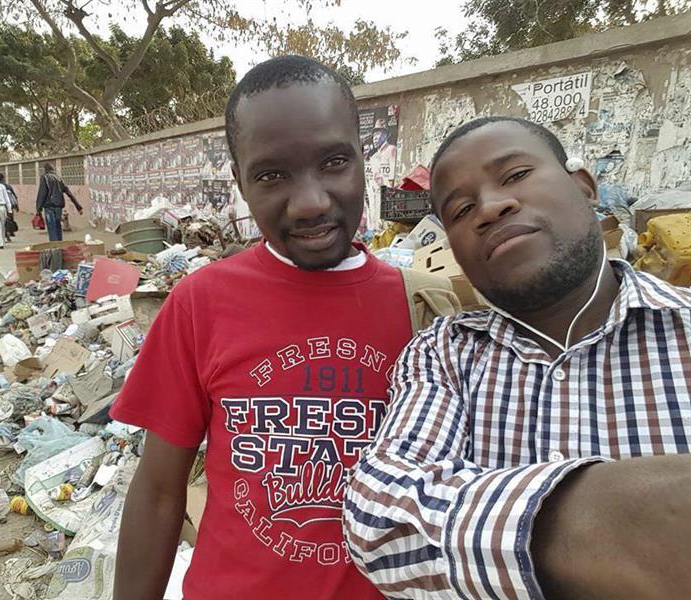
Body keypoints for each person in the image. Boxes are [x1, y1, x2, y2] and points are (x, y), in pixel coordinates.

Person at [110, 56, 423, 600]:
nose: (310, 202)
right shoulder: (199, 304)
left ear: (363, 160)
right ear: (240, 181)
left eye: (333, 162)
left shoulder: (421, 309)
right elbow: (161, 491)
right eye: (272, 175)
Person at [343, 116, 691, 599]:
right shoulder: (445, 353)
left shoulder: (683, 330)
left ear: (584, 187)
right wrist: (610, 519)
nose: (490, 207)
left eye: (515, 176)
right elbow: (377, 513)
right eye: (461, 210)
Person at [35, 163, 82, 241]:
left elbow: (42, 194)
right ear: (53, 169)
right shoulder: (59, 178)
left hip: (49, 207)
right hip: (58, 207)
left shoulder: (45, 178)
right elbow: (69, 193)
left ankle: (55, 247)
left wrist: (38, 209)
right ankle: (60, 245)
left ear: (45, 170)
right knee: (58, 227)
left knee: (52, 228)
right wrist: (78, 207)